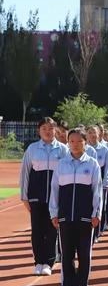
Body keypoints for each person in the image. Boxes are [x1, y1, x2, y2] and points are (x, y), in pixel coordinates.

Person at [49, 128, 103, 286]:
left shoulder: (92, 164)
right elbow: (55, 190)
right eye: (71, 141)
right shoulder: (62, 164)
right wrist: (54, 212)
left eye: (79, 141)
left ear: (85, 143)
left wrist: (97, 213)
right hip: (65, 216)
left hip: (86, 217)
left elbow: (97, 191)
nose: (75, 144)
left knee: (84, 253)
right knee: (67, 253)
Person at [20, 117, 68, 276]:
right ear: (39, 131)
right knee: (37, 231)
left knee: (52, 230)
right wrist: (24, 196)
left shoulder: (63, 150)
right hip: (36, 197)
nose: (47, 131)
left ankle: (48, 262)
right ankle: (38, 261)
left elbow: (68, 173)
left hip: (56, 197)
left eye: (50, 128)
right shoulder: (32, 149)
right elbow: (25, 173)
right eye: (44, 129)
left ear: (56, 131)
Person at [86, 126, 108, 242]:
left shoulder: (104, 149)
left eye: (94, 132)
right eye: (90, 132)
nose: (92, 135)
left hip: (100, 181)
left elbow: (107, 168)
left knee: (100, 207)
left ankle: (97, 231)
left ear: (99, 134)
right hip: (87, 181)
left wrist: (106, 182)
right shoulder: (85, 149)